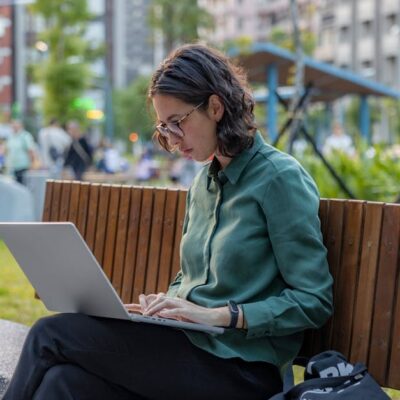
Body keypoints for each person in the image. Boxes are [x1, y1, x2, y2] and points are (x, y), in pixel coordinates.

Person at [3, 44, 333, 400]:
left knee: (49, 335)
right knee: (63, 383)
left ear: (216, 107)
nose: (172, 139)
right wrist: (162, 306)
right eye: (164, 126)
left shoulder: (278, 179)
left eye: (178, 123)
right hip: (188, 348)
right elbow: (192, 277)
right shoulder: (204, 183)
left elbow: (313, 300)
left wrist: (223, 315)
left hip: (240, 370)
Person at [5, 120, 37, 184]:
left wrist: (32, 165)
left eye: (16, 125)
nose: (14, 127)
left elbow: (31, 150)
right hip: (13, 167)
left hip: (23, 166)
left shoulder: (25, 136)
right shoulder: (11, 136)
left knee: (23, 186)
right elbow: (7, 149)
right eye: (13, 125)